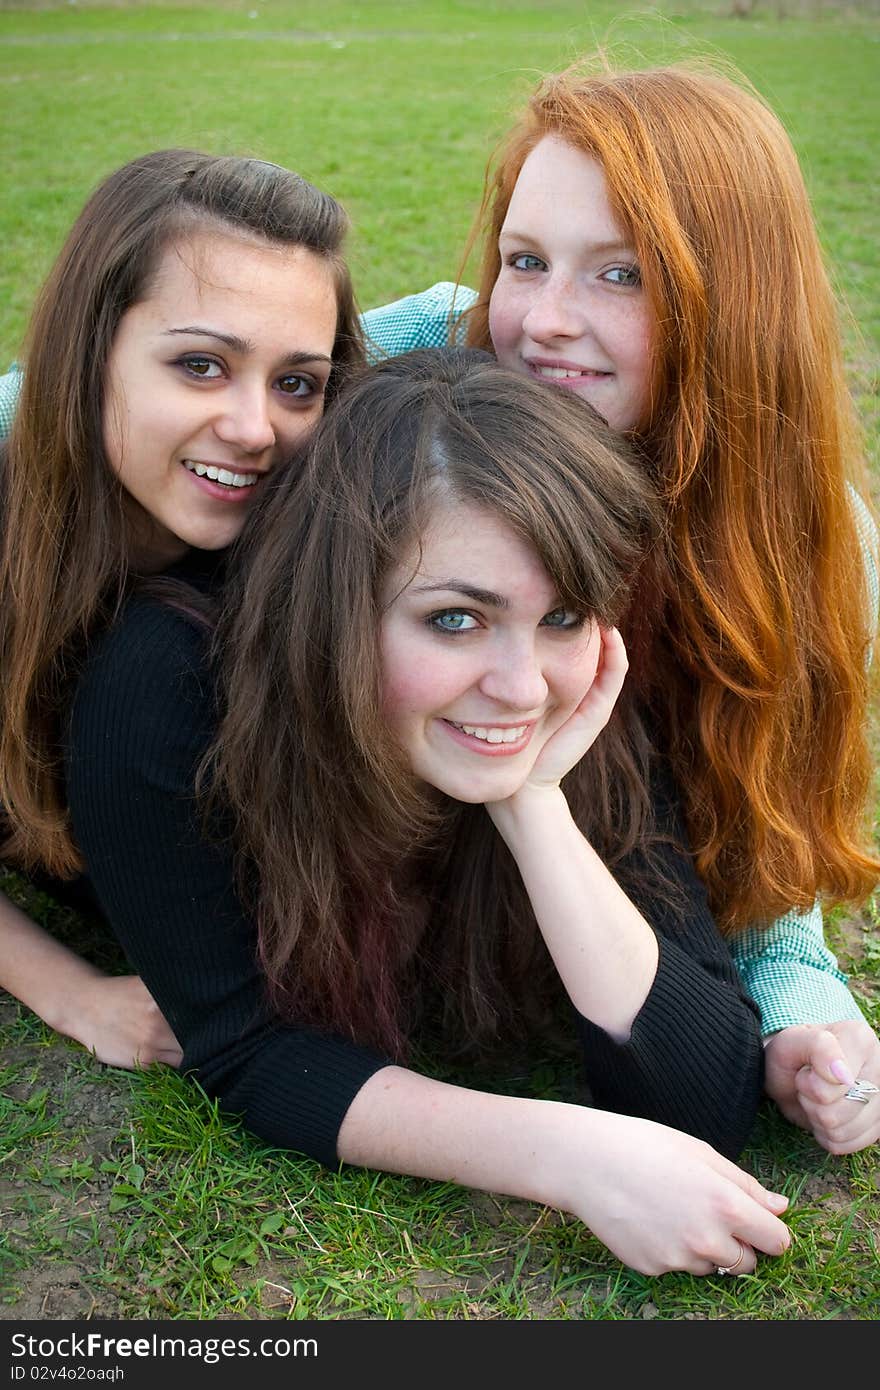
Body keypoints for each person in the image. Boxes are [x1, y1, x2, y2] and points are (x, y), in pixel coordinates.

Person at [58, 343, 791, 1276]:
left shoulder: (576, 691)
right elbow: (245, 1047)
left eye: (562, 615)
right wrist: (568, 1156)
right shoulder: (163, 688)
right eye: (455, 619)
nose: (523, 688)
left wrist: (534, 808)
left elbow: (706, 1089)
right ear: (336, 604)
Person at [358, 60, 880, 1154]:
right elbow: (107, 381)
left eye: (620, 276)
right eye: (525, 260)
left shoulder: (799, 542)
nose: (543, 320)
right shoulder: (434, 350)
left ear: (730, 299)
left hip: (607, 885)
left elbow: (754, 818)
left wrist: (804, 1005)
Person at [0, 146, 364, 1067]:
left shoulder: (305, 533)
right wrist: (69, 993)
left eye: (296, 384)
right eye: (200, 365)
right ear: (92, 352)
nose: (253, 429)